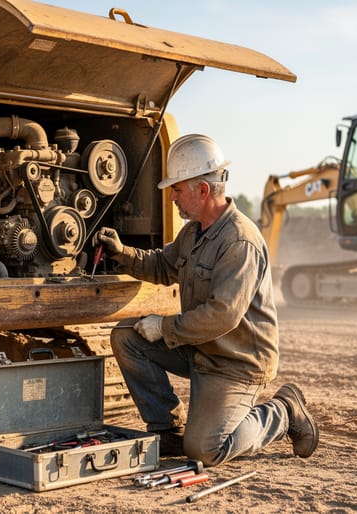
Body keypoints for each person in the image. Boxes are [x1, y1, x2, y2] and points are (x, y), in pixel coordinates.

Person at [94, 134, 318, 467]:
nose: (172, 198)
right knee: (128, 338)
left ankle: (283, 411)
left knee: (204, 450)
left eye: (177, 189)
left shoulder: (240, 241)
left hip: (236, 361)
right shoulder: (194, 232)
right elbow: (163, 265)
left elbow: (221, 316)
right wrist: (123, 254)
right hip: (202, 347)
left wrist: (165, 326)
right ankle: (167, 431)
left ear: (203, 190)